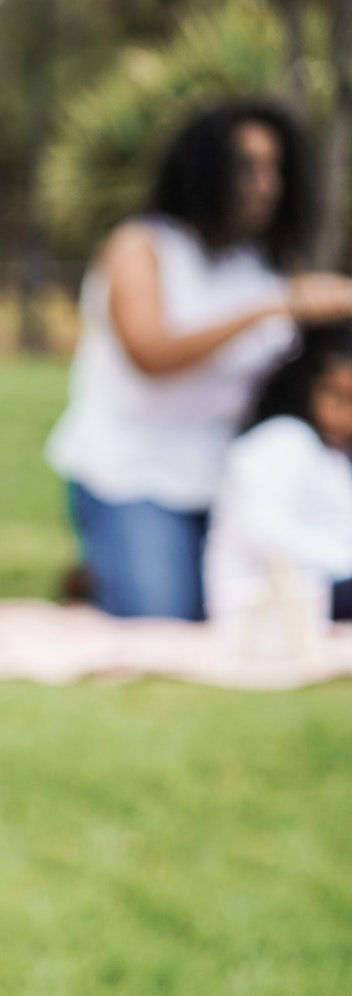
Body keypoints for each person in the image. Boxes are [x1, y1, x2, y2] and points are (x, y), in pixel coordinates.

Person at [46, 100, 352, 620]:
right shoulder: (141, 247)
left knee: (264, 603)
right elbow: (151, 353)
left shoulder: (263, 262)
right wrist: (277, 304)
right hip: (133, 474)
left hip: (228, 475)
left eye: (275, 168)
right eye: (247, 167)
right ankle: (100, 573)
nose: (266, 185)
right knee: (165, 617)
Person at [204, 322, 352, 630]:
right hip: (264, 598)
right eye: (339, 397)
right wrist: (342, 560)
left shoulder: (336, 454)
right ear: (308, 387)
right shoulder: (280, 442)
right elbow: (266, 533)